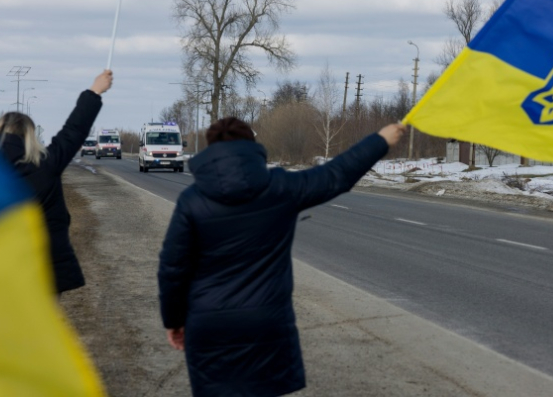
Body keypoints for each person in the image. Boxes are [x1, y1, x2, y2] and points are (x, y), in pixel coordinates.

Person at [158, 117, 407, 397]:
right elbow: (336, 175)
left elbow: (172, 270)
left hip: (209, 325)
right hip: (266, 324)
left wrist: (174, 321)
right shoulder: (280, 188)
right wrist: (380, 140)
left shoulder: (191, 201)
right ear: (252, 148)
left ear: (210, 150)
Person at [0, 70, 113, 293]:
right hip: (44, 269)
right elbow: (74, 130)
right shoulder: (46, 164)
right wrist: (95, 91)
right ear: (29, 136)